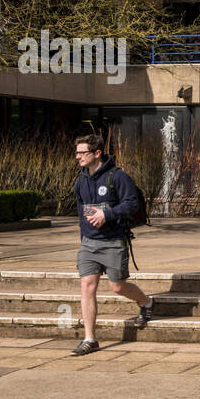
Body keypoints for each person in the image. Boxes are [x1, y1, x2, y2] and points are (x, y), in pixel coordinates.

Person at [71, 133, 155, 355]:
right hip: (89, 244)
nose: (78, 157)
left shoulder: (117, 177)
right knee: (87, 286)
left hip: (114, 241)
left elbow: (131, 204)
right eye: (77, 152)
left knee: (117, 287)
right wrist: (86, 236)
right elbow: (82, 210)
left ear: (97, 153)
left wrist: (106, 215)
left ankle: (146, 303)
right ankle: (90, 338)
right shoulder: (80, 180)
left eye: (82, 152)